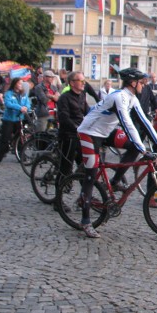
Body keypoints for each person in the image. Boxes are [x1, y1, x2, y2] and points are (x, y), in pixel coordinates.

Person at [77, 68, 157, 238]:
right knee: (91, 174)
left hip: (106, 131)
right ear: (133, 83)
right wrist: (144, 150)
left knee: (132, 147)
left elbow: (144, 120)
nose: (144, 85)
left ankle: (115, 180)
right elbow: (127, 124)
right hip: (89, 133)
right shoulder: (119, 97)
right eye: (142, 82)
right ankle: (86, 220)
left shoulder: (132, 98)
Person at [55, 71, 90, 211]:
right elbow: (64, 117)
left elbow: (88, 112)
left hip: (81, 136)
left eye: (83, 80)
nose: (83, 83)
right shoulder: (64, 98)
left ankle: (85, 197)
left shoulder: (82, 96)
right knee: (65, 168)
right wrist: (77, 128)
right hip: (68, 136)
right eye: (80, 80)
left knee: (84, 167)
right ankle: (58, 201)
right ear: (72, 83)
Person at [0, 78, 32, 164]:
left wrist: (26, 108)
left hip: (19, 118)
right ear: (15, 84)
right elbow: (8, 104)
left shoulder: (23, 94)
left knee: (21, 138)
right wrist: (20, 107)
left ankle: (21, 156)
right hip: (9, 119)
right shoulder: (9, 93)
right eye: (19, 83)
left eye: (22, 83)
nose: (21, 85)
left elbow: (28, 103)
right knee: (5, 139)